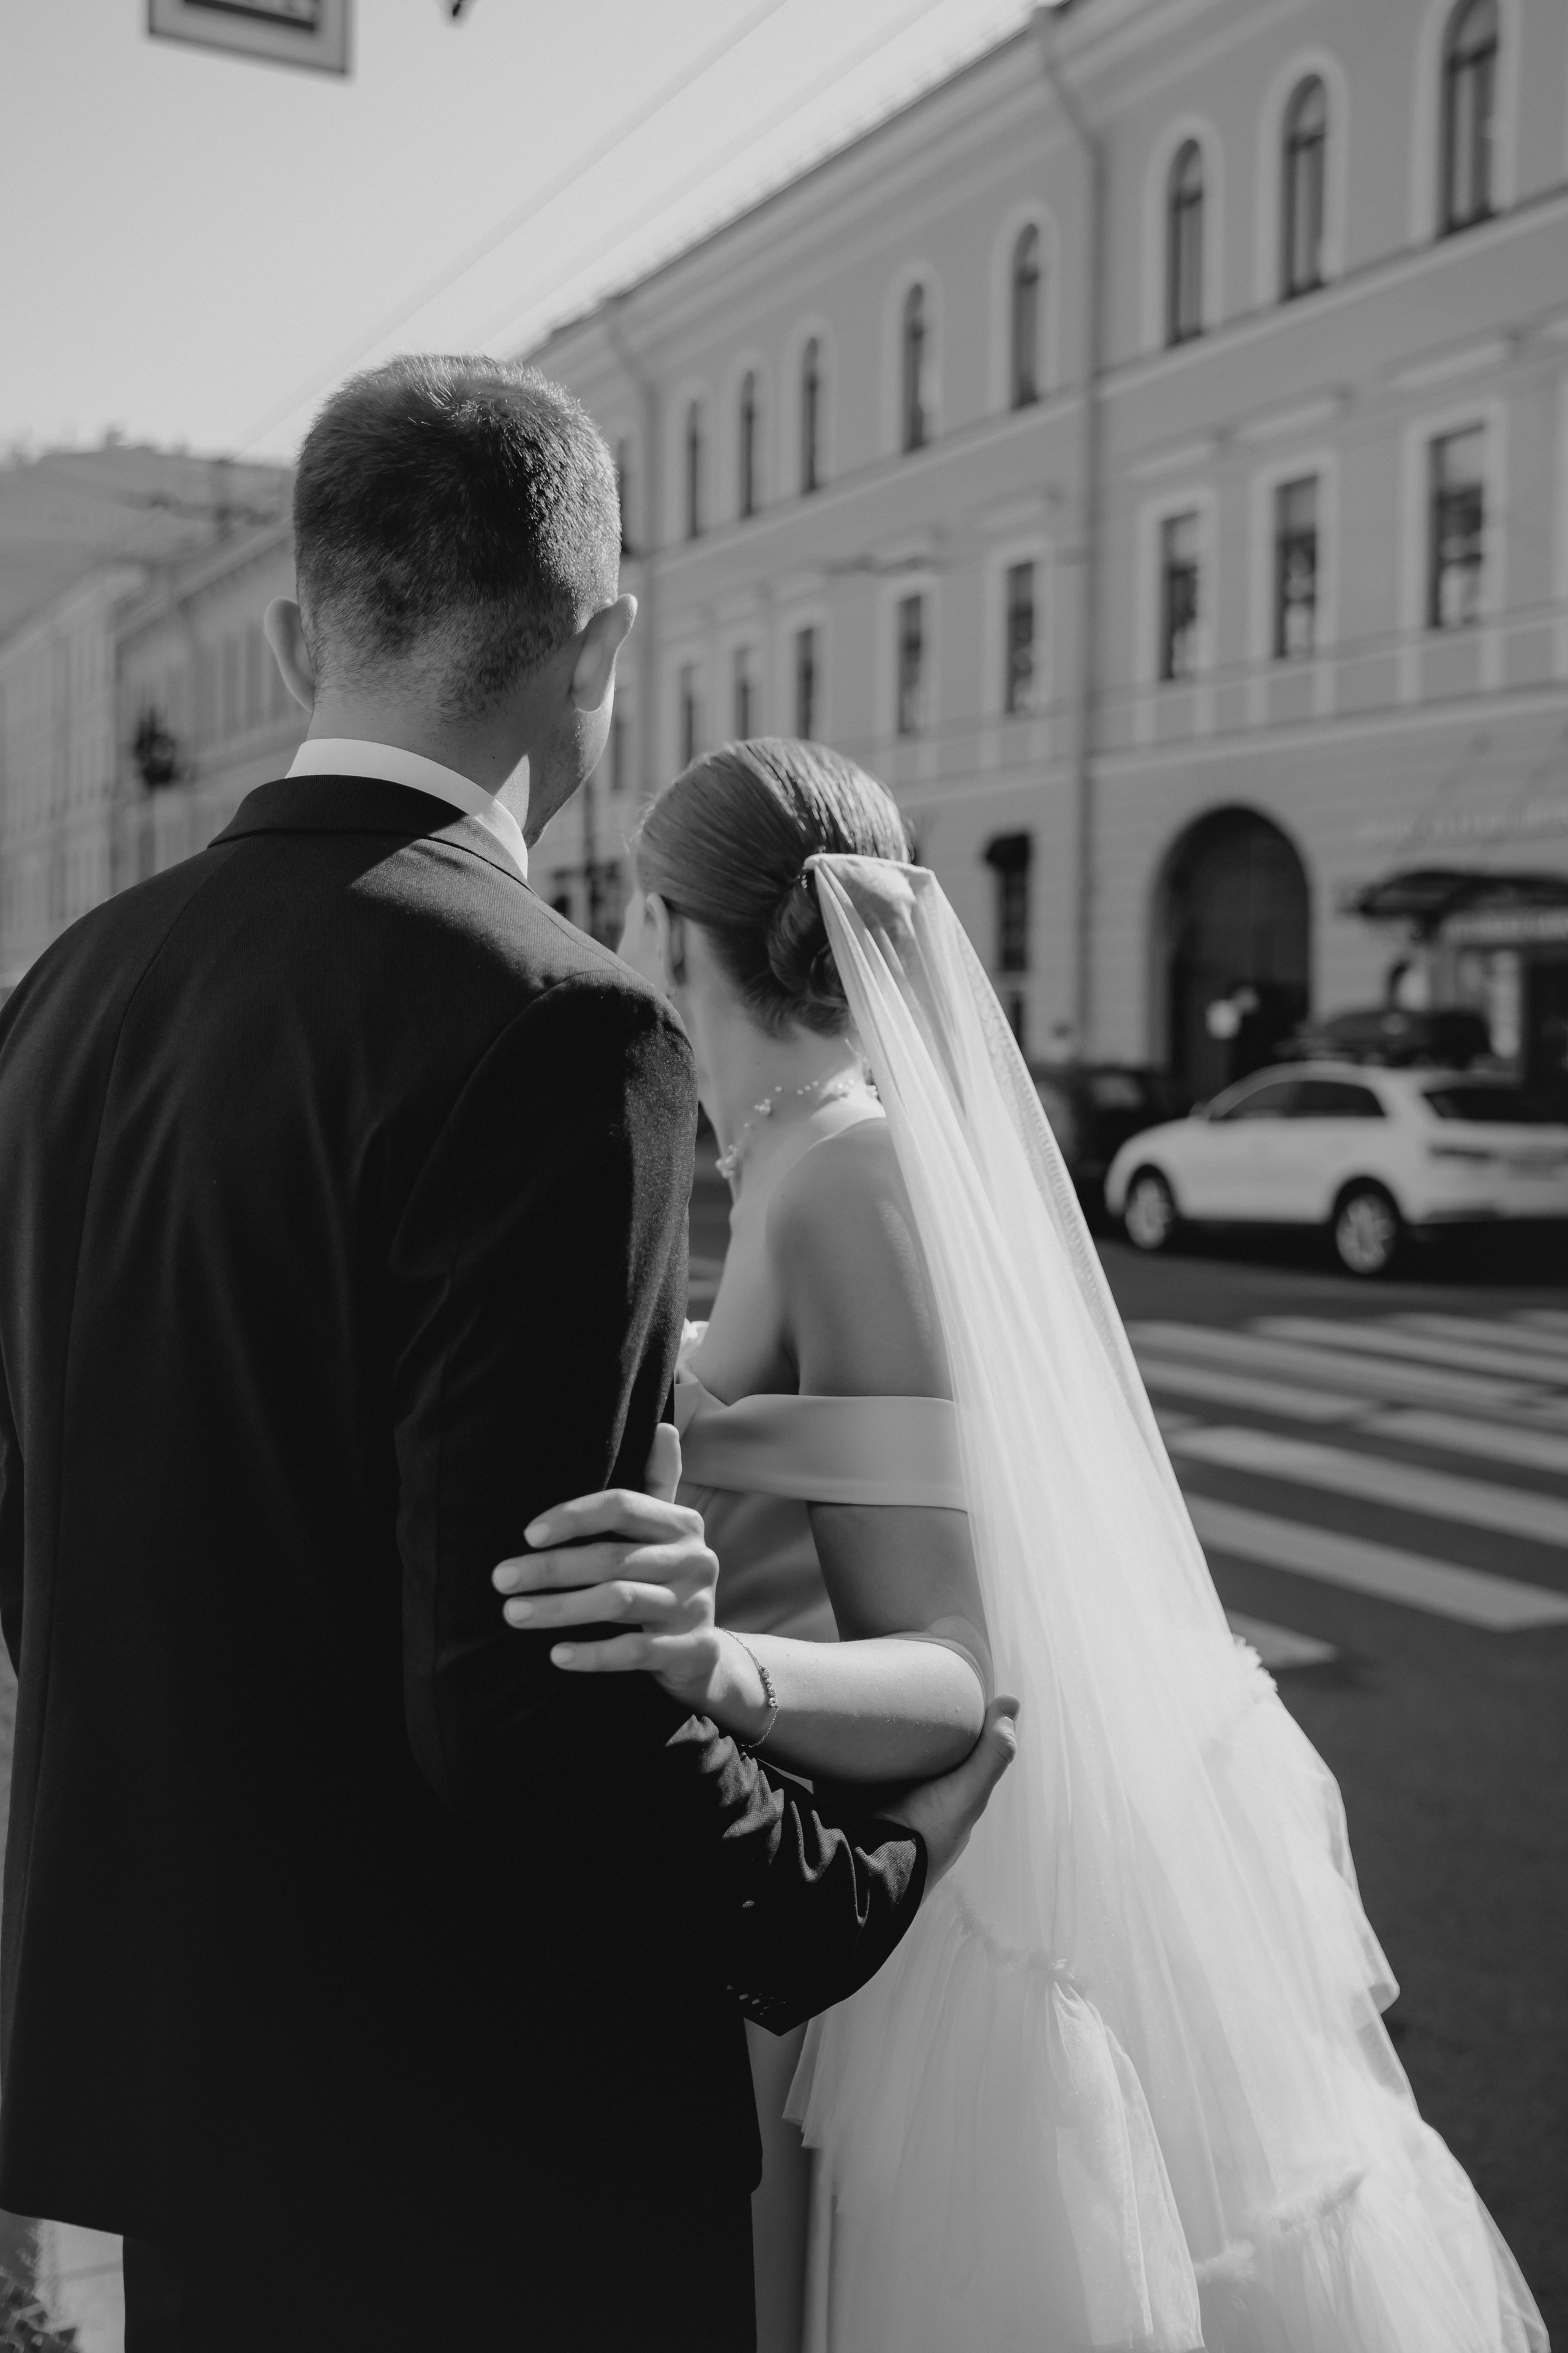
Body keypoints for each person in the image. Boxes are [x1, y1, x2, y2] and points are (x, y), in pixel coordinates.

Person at [0, 360, 1016, 2353]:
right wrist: (851, 1891)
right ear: (604, 648)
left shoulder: (60, 996)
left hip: (179, 2111)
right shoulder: (561, 1024)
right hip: (484, 2145)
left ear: (300, 635)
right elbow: (524, 1699)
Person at [505, 736, 1548, 2353]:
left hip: (885, 1914)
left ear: (672, 928)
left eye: (637, 918)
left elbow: (956, 1670)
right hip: (798, 1884)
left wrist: (707, 1658)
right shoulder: (798, 1151)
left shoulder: (842, 1170)